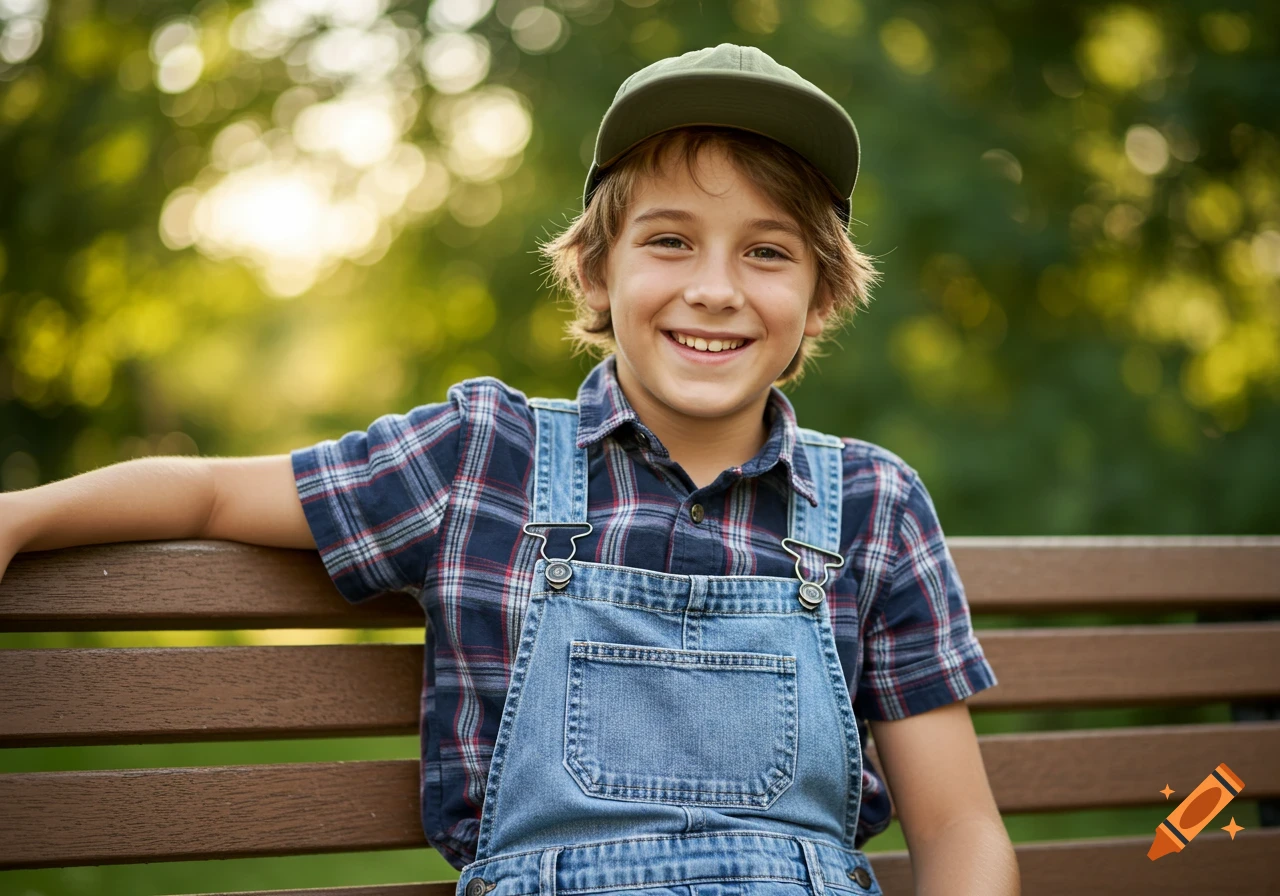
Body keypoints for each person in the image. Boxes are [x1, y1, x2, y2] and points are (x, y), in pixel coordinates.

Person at [0, 43, 1019, 896]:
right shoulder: (482, 457)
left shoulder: (870, 505)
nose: (713, 289)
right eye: (669, 241)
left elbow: (960, 829)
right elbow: (213, 490)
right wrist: (20, 514)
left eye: (766, 252)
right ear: (594, 270)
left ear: (820, 294)